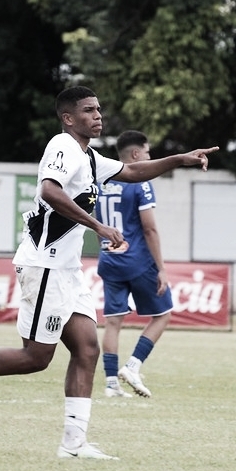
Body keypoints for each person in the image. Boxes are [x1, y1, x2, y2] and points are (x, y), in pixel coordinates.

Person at [0, 86, 218, 460]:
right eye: (89, 110)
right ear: (68, 118)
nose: (98, 115)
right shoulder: (62, 147)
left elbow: (135, 170)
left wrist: (181, 159)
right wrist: (98, 226)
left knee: (87, 348)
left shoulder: (90, 158)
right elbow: (49, 191)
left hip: (66, 269)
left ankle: (73, 445)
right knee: (35, 358)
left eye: (99, 109)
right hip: (45, 264)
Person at [96, 130, 170, 399]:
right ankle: (133, 366)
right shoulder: (141, 182)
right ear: (136, 155)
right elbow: (150, 229)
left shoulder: (102, 180)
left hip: (109, 260)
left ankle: (111, 384)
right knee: (162, 315)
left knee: (112, 323)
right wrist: (161, 268)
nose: (150, 158)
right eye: (148, 153)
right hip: (137, 261)